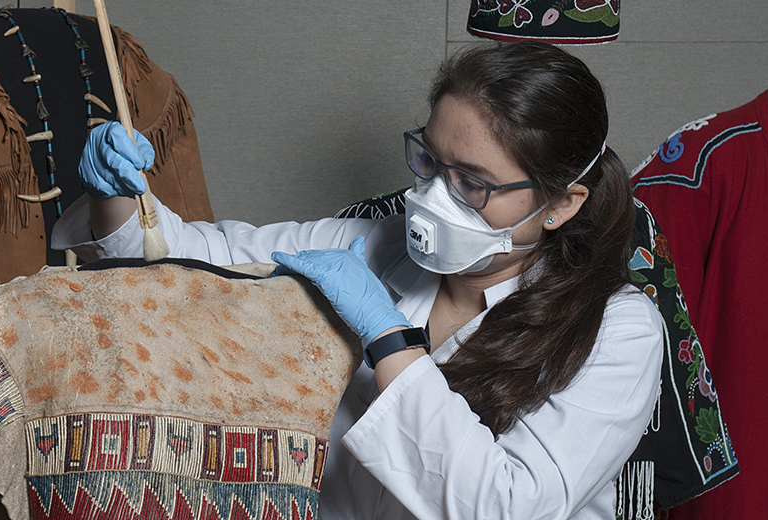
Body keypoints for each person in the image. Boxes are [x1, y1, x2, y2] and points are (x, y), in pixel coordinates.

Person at [53, 42, 664, 520]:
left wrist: (389, 338)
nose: (433, 199)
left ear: (561, 203)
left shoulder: (620, 331)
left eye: (473, 183)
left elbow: (503, 505)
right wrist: (118, 200)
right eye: (428, 161)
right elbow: (197, 259)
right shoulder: (375, 242)